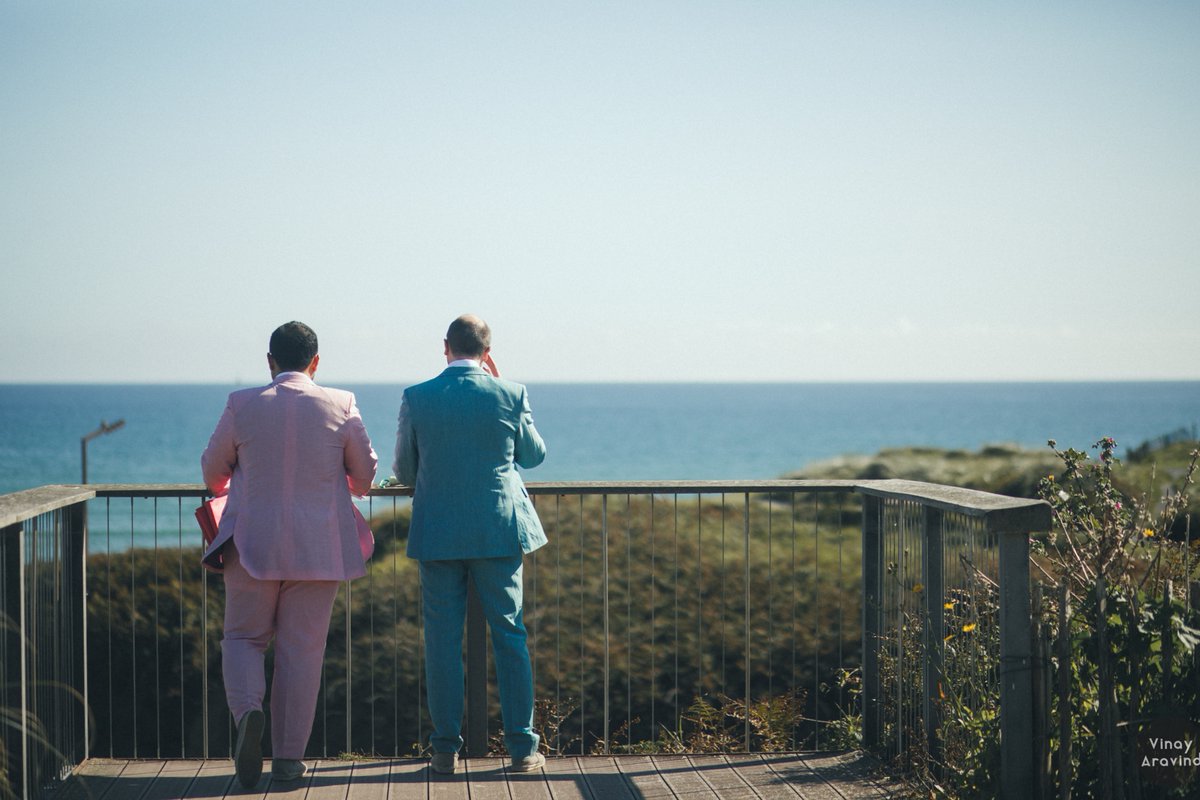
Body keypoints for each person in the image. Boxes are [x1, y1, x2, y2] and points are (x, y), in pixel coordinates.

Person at [201, 321, 377, 788]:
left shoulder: (242, 404)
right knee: (302, 654)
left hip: (251, 545)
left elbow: (212, 471)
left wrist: (233, 483)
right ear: (315, 362)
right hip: (319, 550)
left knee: (243, 640)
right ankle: (288, 761)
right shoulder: (341, 403)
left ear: (270, 362)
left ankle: (247, 714)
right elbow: (364, 477)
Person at [393, 314, 547, 774]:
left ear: (446, 347)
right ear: (487, 350)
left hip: (438, 531)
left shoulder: (417, 397)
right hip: (498, 530)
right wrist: (505, 393)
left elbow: (404, 470)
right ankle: (521, 748)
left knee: (442, 642)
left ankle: (445, 750)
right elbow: (533, 455)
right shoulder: (510, 393)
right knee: (510, 635)